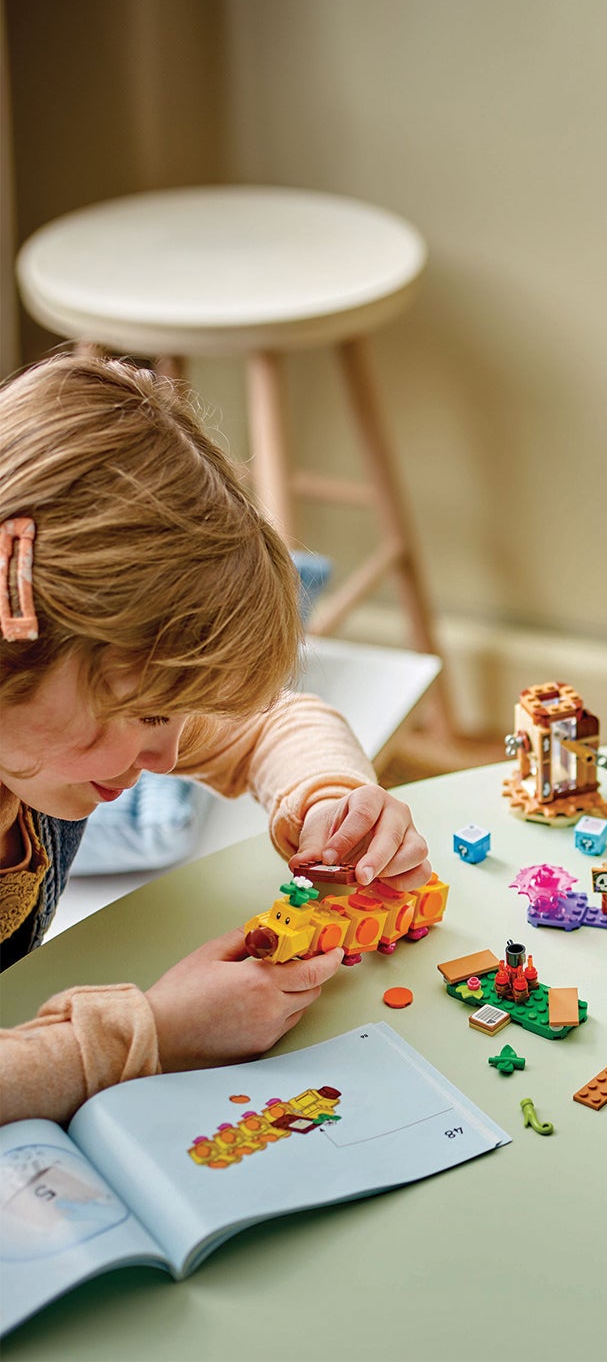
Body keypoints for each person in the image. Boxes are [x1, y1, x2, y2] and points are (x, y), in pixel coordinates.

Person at [0, 353, 430, 1124]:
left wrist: (330, 799)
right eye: (146, 714)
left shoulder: (43, 714)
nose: (166, 758)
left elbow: (272, 721)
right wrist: (155, 1033)